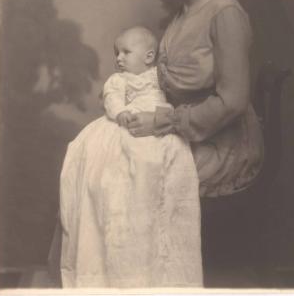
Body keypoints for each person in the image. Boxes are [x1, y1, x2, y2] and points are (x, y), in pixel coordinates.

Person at [126, 0, 264, 282]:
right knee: (109, 154)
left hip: (224, 143)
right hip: (188, 130)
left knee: (136, 177)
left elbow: (233, 101)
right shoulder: (180, 14)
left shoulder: (225, 13)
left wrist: (164, 122)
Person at [60, 26, 203, 288]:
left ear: (149, 57)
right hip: (128, 120)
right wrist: (121, 112)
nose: (119, 58)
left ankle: (162, 264)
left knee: (170, 154)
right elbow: (111, 99)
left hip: (159, 122)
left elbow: (177, 98)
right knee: (122, 160)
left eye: (126, 52)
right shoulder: (119, 80)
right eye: (117, 53)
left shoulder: (159, 77)